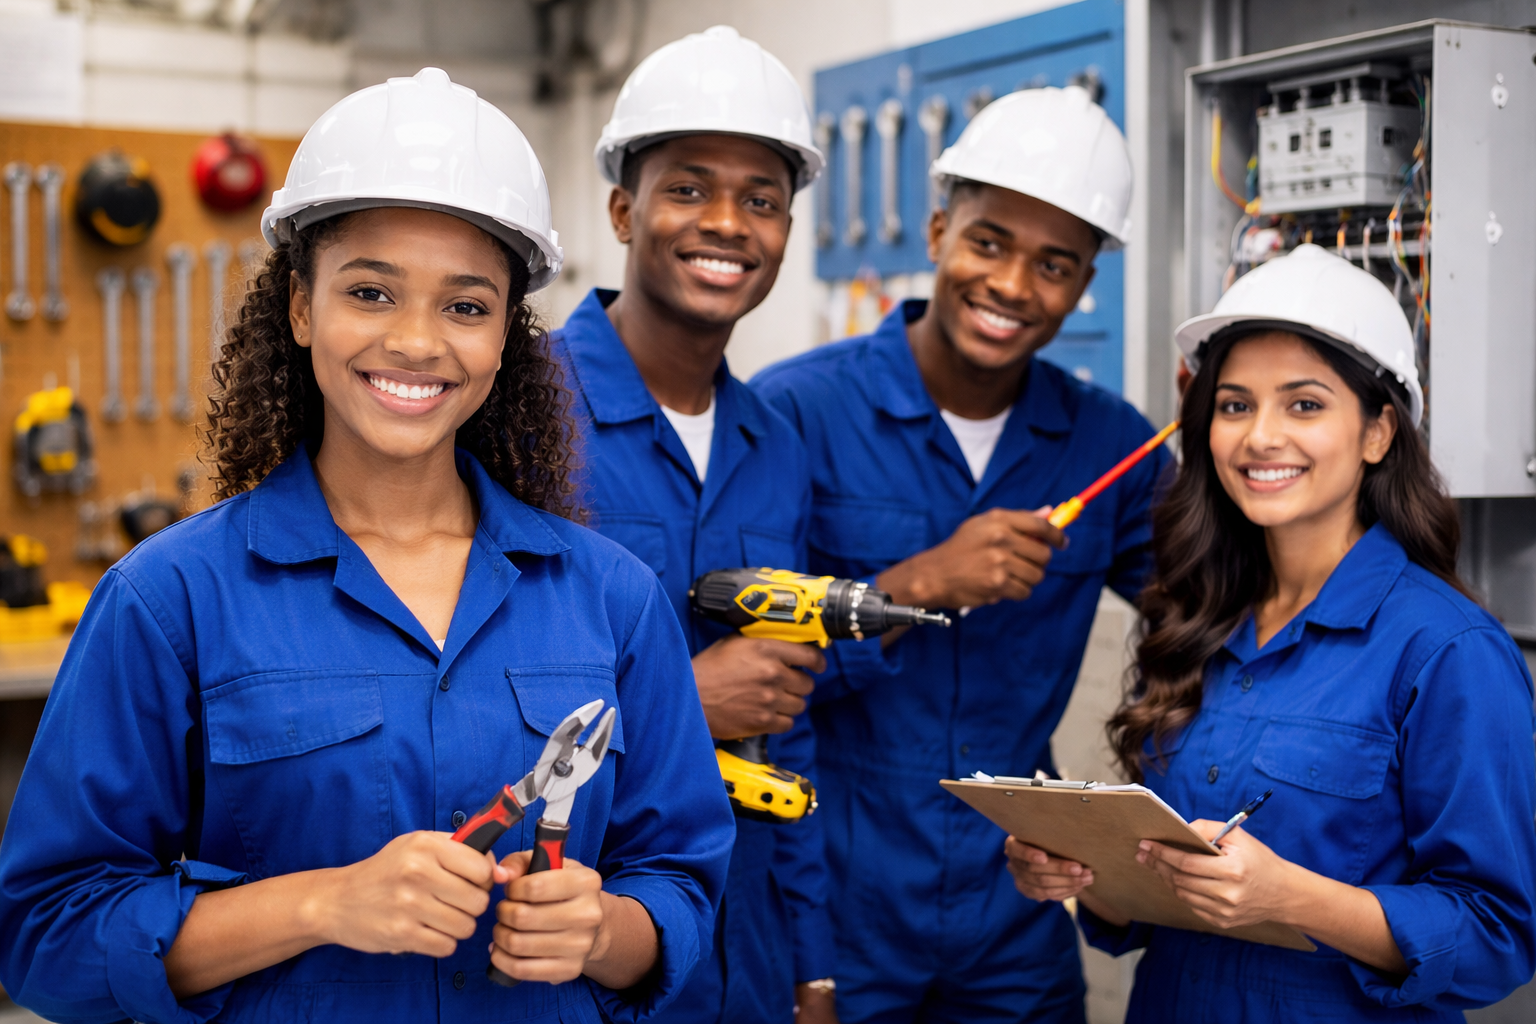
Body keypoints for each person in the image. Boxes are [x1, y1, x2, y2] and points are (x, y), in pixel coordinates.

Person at [0, 68, 735, 1023]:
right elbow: (47, 935)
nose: (419, 342)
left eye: (466, 307)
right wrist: (318, 903)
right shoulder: (169, 599)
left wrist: (600, 932)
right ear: (302, 310)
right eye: (372, 292)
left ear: (505, 340)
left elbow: (678, 884)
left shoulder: (613, 598)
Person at [1005, 244, 1536, 1022]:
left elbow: (1499, 936)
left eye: (1305, 404)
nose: (1260, 436)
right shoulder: (1197, 616)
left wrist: (1294, 899)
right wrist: (1089, 872)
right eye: (1235, 404)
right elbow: (1156, 895)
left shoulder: (1447, 652)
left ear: (1379, 432)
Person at [754, 86, 1166, 1022]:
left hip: (1016, 909)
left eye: (1056, 264)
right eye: (989, 243)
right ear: (938, 232)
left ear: (1087, 278)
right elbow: (733, 679)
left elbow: (1214, 625)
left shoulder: (1114, 446)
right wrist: (909, 588)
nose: (1016, 286)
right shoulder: (794, 413)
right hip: (834, 899)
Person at [555, 26, 841, 1024]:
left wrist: (811, 965)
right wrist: (677, 700)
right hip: (567, 932)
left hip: (748, 948)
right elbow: (449, 690)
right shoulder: (516, 414)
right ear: (625, 211)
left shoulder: (773, 444)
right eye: (689, 187)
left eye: (761, 199)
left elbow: (783, 720)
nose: (727, 222)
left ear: (787, 233)